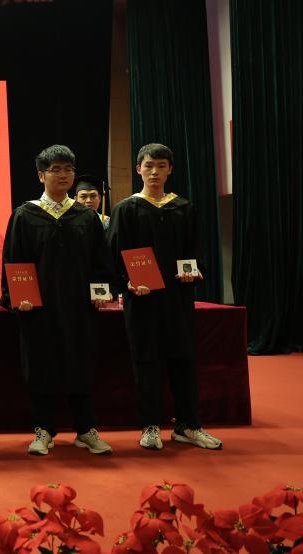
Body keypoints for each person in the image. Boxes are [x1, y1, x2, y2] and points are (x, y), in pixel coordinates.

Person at [0, 145, 115, 457]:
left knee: (82, 364)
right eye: (55, 170)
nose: (63, 175)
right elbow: (14, 262)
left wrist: (101, 292)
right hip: (38, 308)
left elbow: (101, 262)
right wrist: (17, 298)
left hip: (79, 307)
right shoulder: (25, 215)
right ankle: (43, 429)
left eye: (68, 169)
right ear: (41, 175)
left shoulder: (86, 217)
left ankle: (86, 429)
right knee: (41, 365)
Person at [108, 143, 222, 451]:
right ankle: (150, 426)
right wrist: (126, 283)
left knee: (184, 359)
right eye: (149, 166)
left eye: (161, 166)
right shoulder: (126, 210)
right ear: (138, 169)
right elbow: (113, 256)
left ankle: (189, 425)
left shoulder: (183, 208)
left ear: (170, 169)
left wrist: (194, 272)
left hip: (177, 298)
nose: (154, 172)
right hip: (141, 300)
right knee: (147, 362)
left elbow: (195, 252)